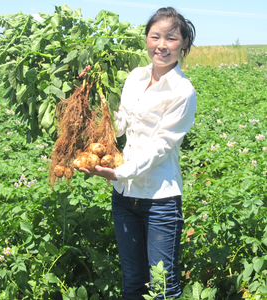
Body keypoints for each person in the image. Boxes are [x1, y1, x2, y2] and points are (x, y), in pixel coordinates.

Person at [80, 6, 196, 300]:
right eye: (155, 36)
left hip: (160, 201)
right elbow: (120, 125)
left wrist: (120, 171)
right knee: (132, 281)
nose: (161, 45)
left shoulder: (182, 91)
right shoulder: (134, 76)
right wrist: (91, 92)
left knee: (162, 286)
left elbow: (161, 146)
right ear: (146, 39)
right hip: (123, 197)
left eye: (171, 38)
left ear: (183, 43)